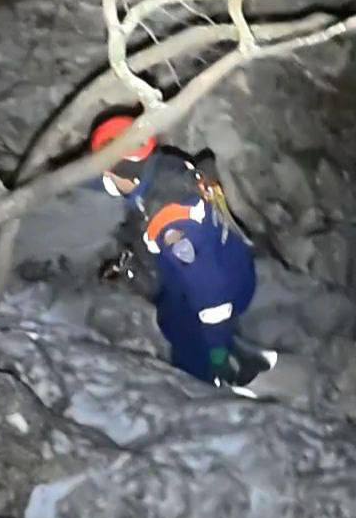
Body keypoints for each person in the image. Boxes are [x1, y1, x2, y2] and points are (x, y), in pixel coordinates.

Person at [86, 113, 271, 389]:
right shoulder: (163, 166)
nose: (105, 178)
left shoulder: (174, 227)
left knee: (182, 332)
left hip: (221, 288)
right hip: (227, 260)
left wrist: (217, 353)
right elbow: (107, 181)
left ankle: (206, 384)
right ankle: (233, 349)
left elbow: (212, 298)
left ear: (124, 174)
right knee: (178, 303)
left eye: (108, 173)